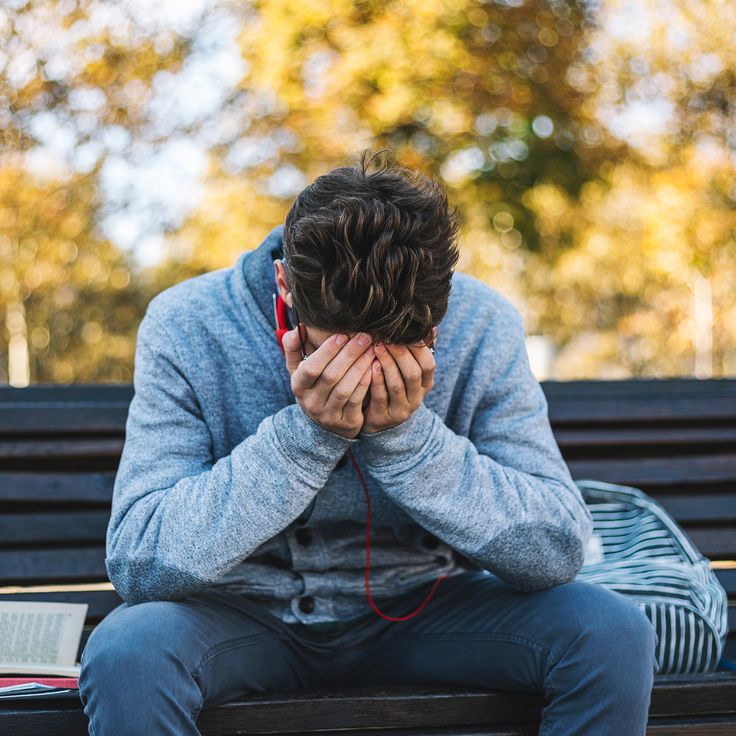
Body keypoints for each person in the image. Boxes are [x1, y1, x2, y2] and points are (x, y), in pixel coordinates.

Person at [78, 149, 657, 735]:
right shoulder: (187, 323)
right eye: (336, 350)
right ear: (285, 281)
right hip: (240, 617)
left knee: (610, 632)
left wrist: (409, 441)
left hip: (426, 608)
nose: (363, 374)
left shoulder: (484, 324)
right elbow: (141, 562)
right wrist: (305, 438)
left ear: (443, 307)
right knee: (129, 652)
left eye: (400, 349)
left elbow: (558, 549)